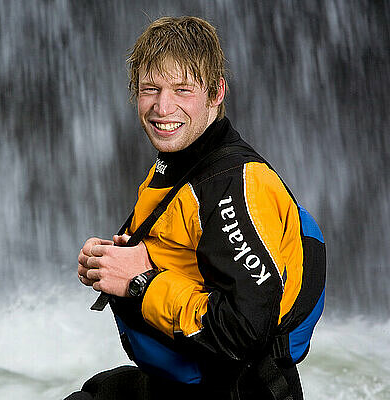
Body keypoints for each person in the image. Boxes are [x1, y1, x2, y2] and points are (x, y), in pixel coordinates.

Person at [69, 16, 321, 400]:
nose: (162, 107)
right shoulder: (184, 164)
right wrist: (112, 262)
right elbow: (188, 256)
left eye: (182, 90)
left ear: (216, 93)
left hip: (241, 390)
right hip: (189, 379)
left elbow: (247, 332)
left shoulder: (234, 185)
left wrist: (141, 282)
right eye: (150, 88)